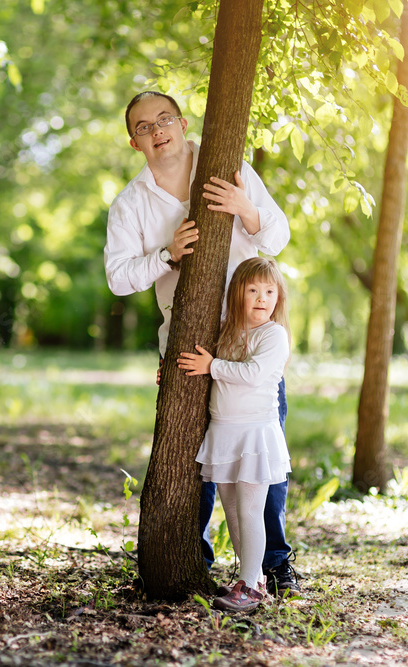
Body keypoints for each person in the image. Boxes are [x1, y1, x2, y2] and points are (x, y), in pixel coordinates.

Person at [104, 90, 300, 595]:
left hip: (246, 340)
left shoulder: (225, 168)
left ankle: (273, 564)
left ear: (183, 122)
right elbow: (119, 278)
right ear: (134, 142)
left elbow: (277, 236)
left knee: (260, 451)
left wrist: (246, 209)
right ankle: (196, 558)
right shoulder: (131, 204)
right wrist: (166, 256)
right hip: (189, 347)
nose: (157, 129)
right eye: (144, 126)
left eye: (164, 119)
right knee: (196, 459)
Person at [177, 257, 292, 611]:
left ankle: (253, 588)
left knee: (250, 511)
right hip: (224, 432)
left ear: (278, 297)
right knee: (232, 512)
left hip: (255, 434)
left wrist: (212, 365)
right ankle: (251, 576)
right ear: (237, 293)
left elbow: (254, 373)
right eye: (253, 290)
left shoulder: (273, 334)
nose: (262, 298)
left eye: (269, 291)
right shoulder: (227, 330)